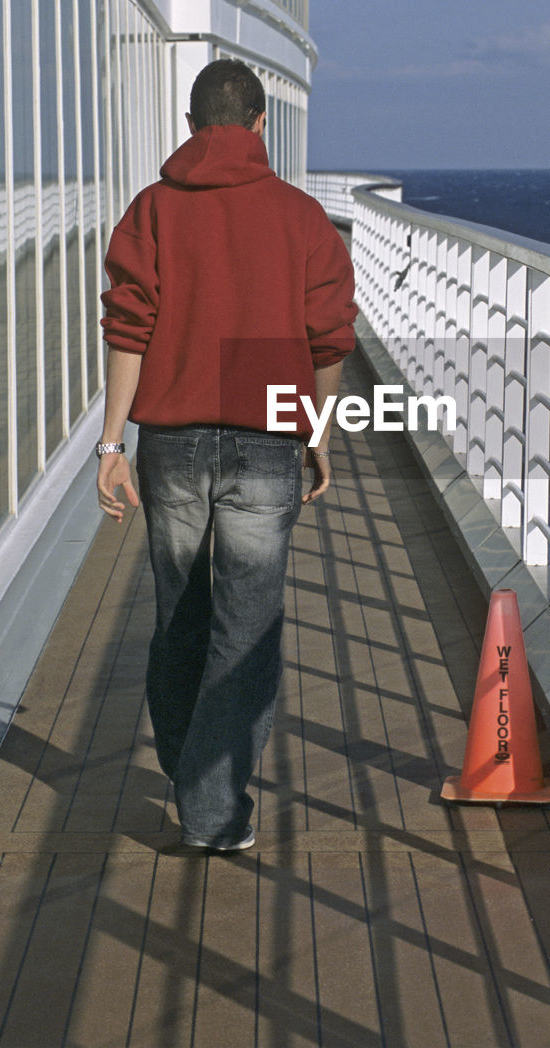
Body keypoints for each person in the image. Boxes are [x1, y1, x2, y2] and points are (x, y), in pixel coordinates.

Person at [96, 59, 356, 852]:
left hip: (170, 446)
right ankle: (213, 808)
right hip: (267, 443)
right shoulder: (303, 219)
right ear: (260, 125)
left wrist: (111, 444)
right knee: (247, 627)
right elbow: (330, 338)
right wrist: (317, 433)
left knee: (180, 617)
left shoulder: (152, 212)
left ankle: (192, 775)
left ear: (189, 124)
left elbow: (127, 329)